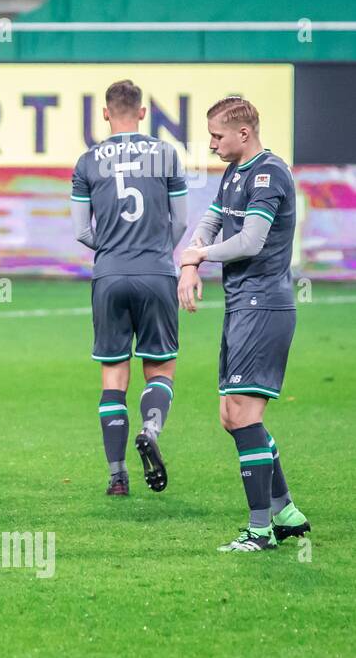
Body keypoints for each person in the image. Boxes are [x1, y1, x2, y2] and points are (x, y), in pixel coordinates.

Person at [177, 96, 311, 551]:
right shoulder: (234, 173)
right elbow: (211, 222)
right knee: (231, 417)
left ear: (244, 134)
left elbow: (251, 241)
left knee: (241, 415)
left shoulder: (269, 174)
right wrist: (193, 260)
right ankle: (286, 513)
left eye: (217, 135)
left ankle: (260, 531)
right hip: (242, 306)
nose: (211, 143)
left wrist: (199, 256)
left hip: (264, 306)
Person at [70, 79, 188, 496]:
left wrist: (115, 251)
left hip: (109, 275)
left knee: (113, 375)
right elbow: (182, 222)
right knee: (160, 367)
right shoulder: (165, 153)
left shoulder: (87, 161)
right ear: (142, 112)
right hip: (157, 272)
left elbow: (82, 231)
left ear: (105, 113)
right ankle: (152, 429)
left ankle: (117, 476)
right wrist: (155, 251)